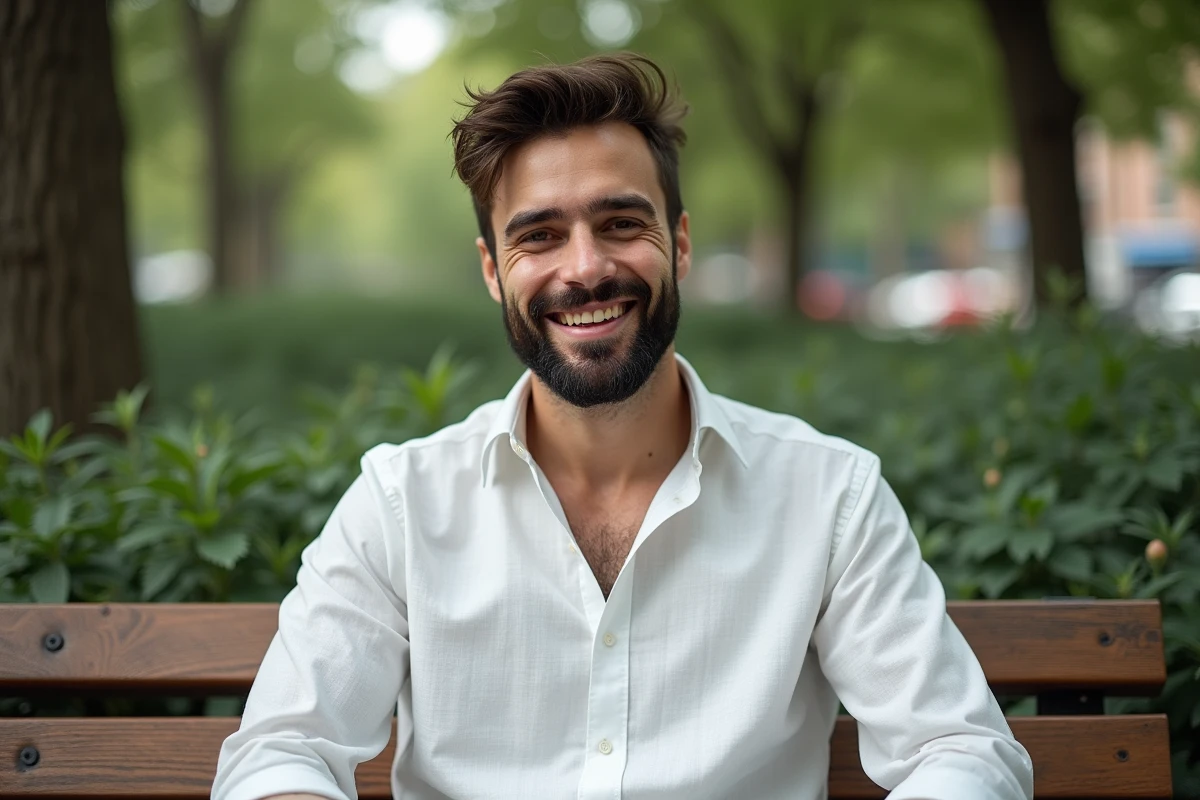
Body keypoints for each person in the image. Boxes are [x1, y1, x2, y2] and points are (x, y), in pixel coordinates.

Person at [211, 53, 1034, 800]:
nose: (585, 267)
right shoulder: (400, 504)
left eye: (620, 224)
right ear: (494, 272)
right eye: (539, 235)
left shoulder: (829, 498)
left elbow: (958, 750)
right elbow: (282, 751)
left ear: (677, 243)